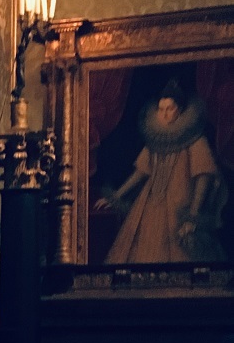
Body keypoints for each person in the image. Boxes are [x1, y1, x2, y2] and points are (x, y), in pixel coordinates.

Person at [93, 81, 228, 264]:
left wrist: (194, 217)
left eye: (169, 109)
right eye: (161, 109)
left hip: (181, 204)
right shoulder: (155, 140)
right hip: (149, 203)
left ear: (179, 110)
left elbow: (203, 176)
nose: (164, 114)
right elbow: (141, 172)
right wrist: (116, 196)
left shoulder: (196, 140)